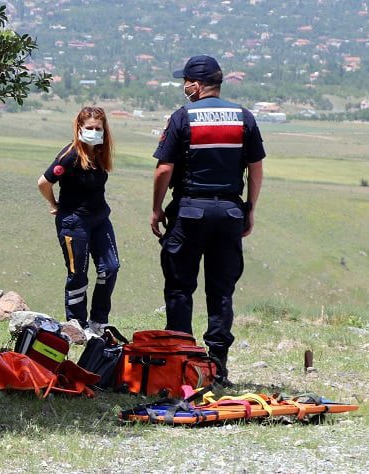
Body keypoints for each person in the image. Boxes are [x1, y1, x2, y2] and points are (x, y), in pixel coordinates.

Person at [150, 55, 265, 385]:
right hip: (229, 213)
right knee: (221, 291)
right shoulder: (244, 117)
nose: (184, 87)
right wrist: (250, 208)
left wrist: (156, 208)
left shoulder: (182, 117)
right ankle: (217, 366)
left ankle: (183, 364)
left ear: (196, 85)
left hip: (189, 211)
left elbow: (164, 169)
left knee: (179, 287)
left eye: (186, 82)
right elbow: (256, 168)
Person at [38, 106, 120, 335]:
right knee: (78, 273)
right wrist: (54, 204)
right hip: (74, 222)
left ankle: (98, 321)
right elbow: (43, 182)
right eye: (90, 128)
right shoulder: (70, 155)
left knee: (111, 267)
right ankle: (77, 323)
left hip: (100, 219)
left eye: (98, 128)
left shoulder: (99, 152)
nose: (94, 132)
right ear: (79, 128)